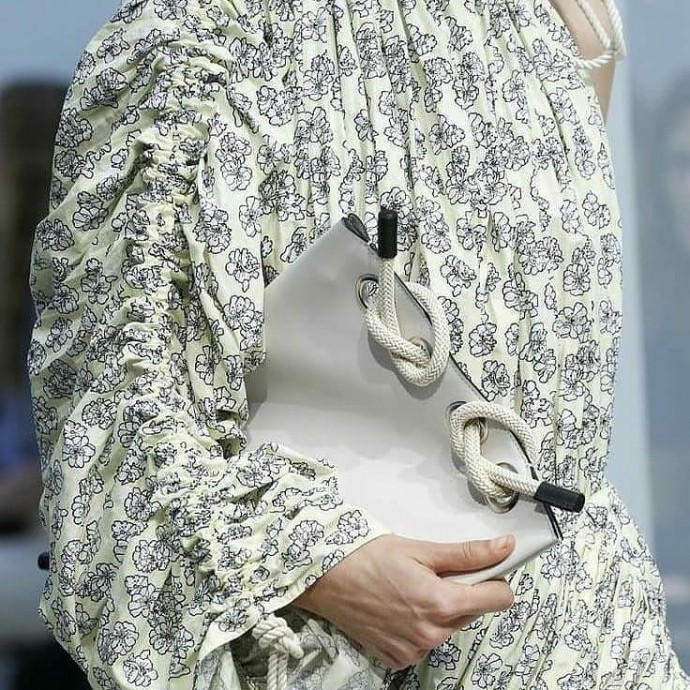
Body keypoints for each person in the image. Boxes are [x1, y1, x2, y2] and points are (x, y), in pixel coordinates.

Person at [26, 1, 690, 690]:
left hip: (572, 633)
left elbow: (549, 360)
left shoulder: (566, 17)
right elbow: (116, 409)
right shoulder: (186, 41)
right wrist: (317, 565)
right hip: (318, 646)